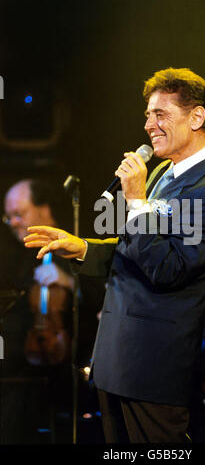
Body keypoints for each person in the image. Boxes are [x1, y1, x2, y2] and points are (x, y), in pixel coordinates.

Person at [24, 67, 205, 443]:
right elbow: (139, 251)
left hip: (152, 368)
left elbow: (168, 269)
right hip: (117, 360)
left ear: (197, 117)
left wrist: (138, 201)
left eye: (160, 114)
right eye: (147, 114)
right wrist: (83, 247)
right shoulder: (163, 172)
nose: (149, 124)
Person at [0, 178, 74, 444]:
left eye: (19, 214)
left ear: (44, 210)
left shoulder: (71, 247)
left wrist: (69, 282)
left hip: (56, 356)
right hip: (19, 350)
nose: (14, 223)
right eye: (9, 218)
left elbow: (99, 296)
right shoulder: (17, 253)